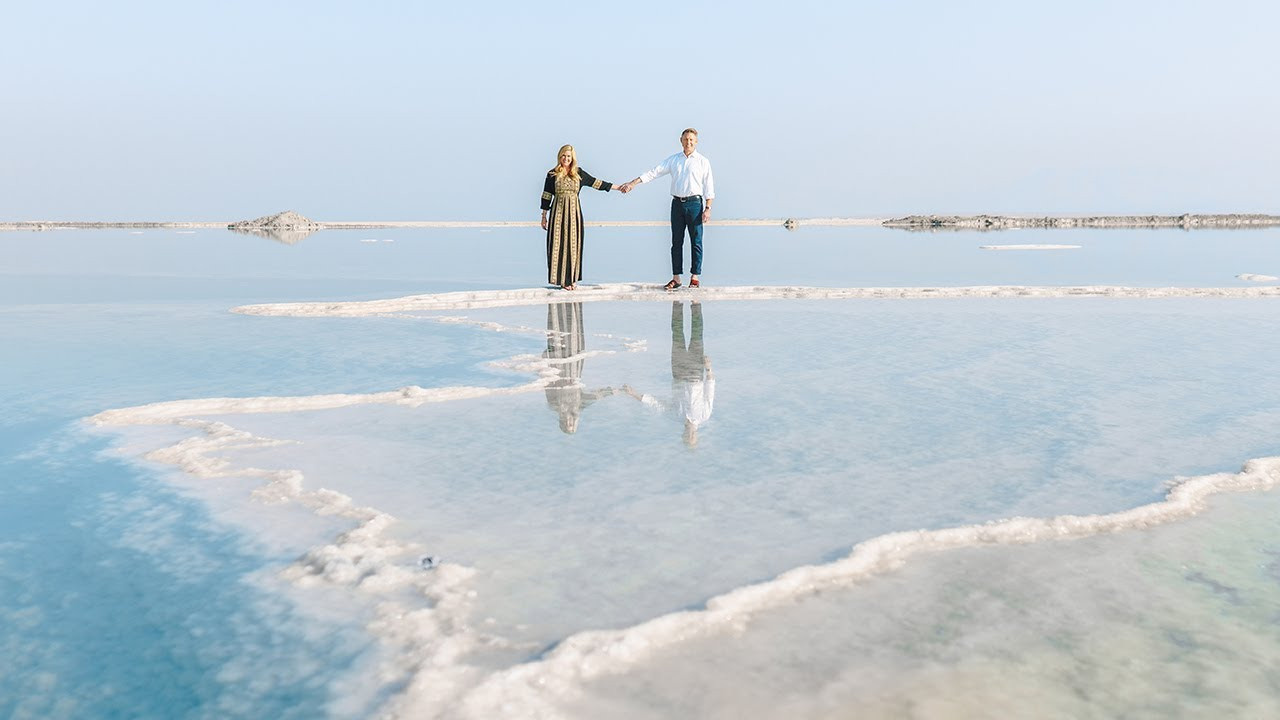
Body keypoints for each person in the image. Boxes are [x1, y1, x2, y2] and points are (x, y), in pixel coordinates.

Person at [617, 128, 716, 290]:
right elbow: (654, 172)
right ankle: (676, 278)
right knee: (676, 242)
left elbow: (709, 186)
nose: (688, 142)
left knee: (696, 241)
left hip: (695, 204)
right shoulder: (674, 160)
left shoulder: (703, 161)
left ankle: (695, 277)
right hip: (677, 204)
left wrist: (708, 208)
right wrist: (633, 183)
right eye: (685, 139)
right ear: (681, 140)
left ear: (696, 142)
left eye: (691, 140)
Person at [622, 300, 715, 448]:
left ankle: (677, 303)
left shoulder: (676, 417)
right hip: (696, 372)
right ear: (696, 435)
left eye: (687, 436)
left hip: (678, 372)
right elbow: (709, 390)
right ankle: (696, 303)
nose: (690, 434)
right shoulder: (704, 416)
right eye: (692, 437)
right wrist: (709, 368)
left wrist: (634, 394)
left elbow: (656, 404)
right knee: (697, 334)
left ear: (682, 435)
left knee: (677, 334)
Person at [540, 145, 616, 290]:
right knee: (558, 245)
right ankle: (562, 280)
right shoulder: (552, 174)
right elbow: (546, 195)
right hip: (557, 213)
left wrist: (618, 187)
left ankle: (571, 279)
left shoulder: (578, 173)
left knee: (573, 246)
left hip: (574, 214)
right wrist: (544, 216)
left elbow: (597, 183)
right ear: (559, 157)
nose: (566, 159)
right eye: (563, 156)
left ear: (572, 158)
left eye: (568, 156)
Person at [542, 302, 618, 434]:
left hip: (558, 366)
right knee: (573, 337)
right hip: (574, 367)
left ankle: (570, 302)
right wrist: (610, 391)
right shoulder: (578, 406)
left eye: (568, 425)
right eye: (572, 425)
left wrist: (546, 360)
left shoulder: (554, 405)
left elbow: (547, 385)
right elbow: (595, 397)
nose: (569, 422)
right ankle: (567, 303)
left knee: (560, 335)